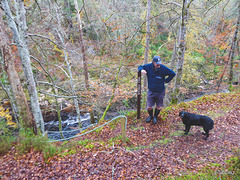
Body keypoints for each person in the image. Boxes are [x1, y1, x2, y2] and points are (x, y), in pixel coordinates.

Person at [138, 56, 176, 124]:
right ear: (153, 62)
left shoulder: (163, 68)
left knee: (158, 106)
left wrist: (166, 81)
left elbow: (173, 74)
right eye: (157, 63)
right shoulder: (149, 66)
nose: (159, 65)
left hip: (160, 91)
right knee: (149, 107)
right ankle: (150, 116)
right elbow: (140, 66)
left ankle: (155, 117)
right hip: (151, 91)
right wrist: (142, 70)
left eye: (159, 63)